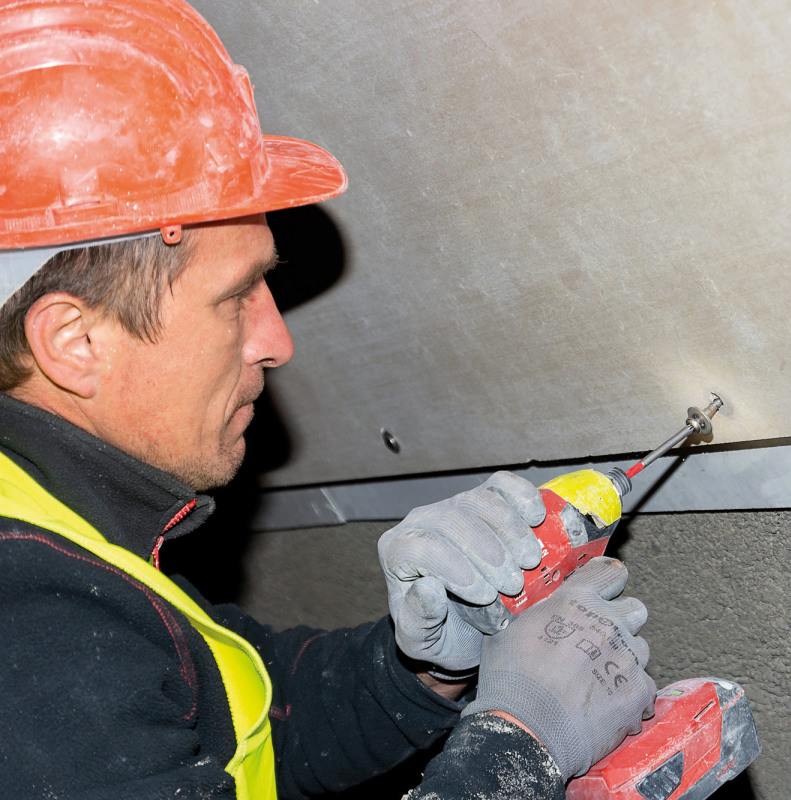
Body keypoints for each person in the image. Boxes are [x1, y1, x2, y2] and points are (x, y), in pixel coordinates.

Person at [0, 1, 656, 798]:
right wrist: (513, 753)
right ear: (74, 341)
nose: (277, 341)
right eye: (237, 296)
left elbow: (246, 718)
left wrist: (420, 668)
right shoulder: (25, 622)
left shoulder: (59, 529)